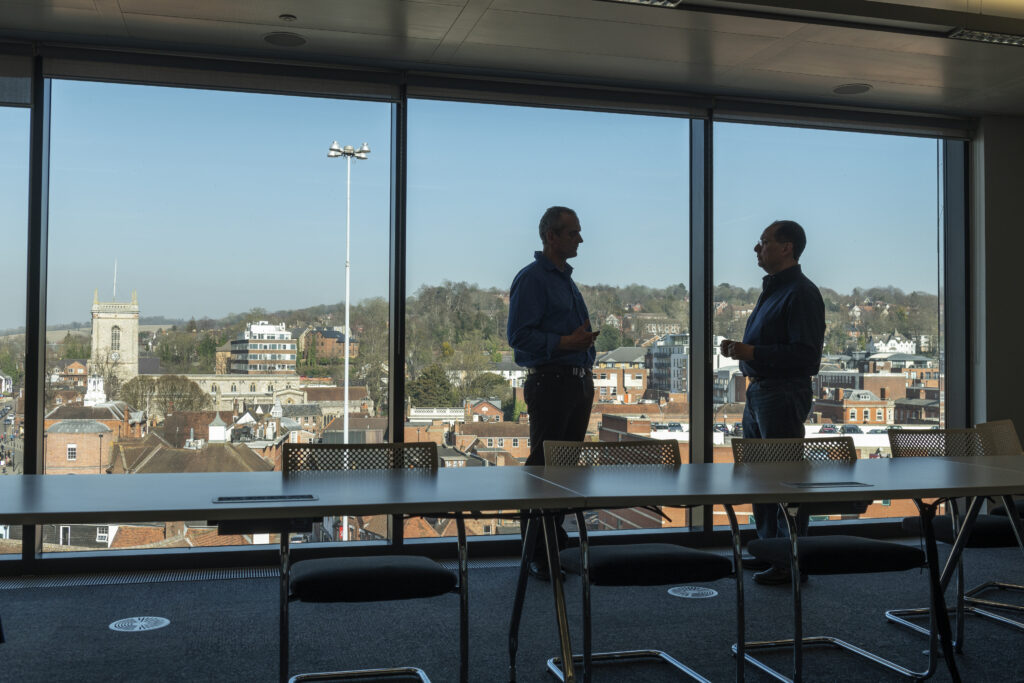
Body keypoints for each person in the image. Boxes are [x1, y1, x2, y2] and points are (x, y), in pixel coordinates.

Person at [720, 219, 825, 586]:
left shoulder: (800, 293)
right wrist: (744, 352)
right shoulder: (776, 290)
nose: (756, 248)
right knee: (761, 478)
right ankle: (771, 551)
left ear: (786, 248)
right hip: (761, 392)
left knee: (783, 479)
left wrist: (753, 351)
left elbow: (807, 357)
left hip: (781, 393)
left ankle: (789, 559)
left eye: (763, 242)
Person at [507, 206, 599, 581]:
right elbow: (519, 338)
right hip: (552, 382)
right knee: (546, 468)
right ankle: (539, 549)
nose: (580, 239)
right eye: (573, 233)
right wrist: (567, 342)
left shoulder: (565, 281)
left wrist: (582, 350)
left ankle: (551, 539)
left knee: (564, 467)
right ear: (551, 237)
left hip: (577, 382)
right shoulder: (533, 279)